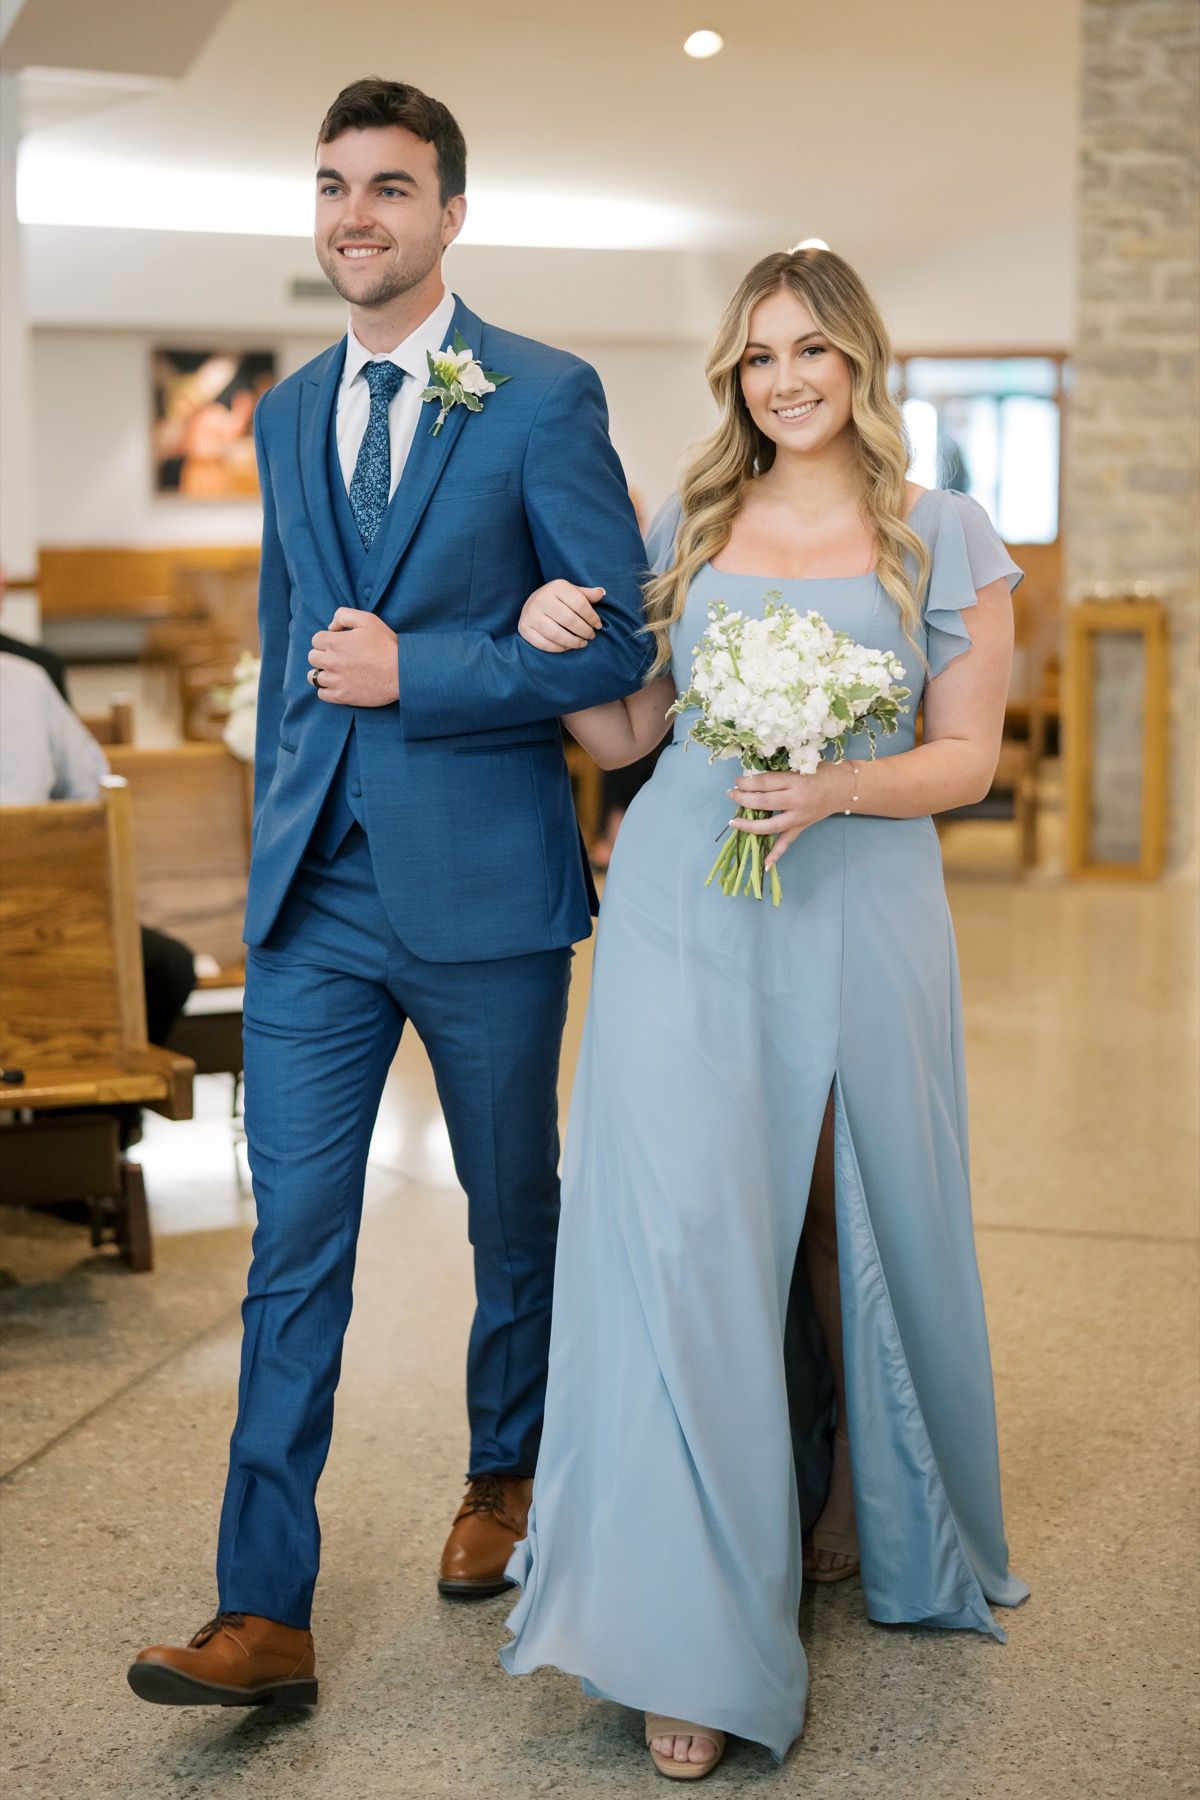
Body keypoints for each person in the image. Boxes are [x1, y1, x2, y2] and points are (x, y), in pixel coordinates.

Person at [129, 77, 649, 1709]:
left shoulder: (544, 397)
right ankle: (259, 1611)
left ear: (450, 214)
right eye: (334, 185)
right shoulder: (284, 413)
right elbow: (298, 652)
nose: (357, 212)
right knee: (294, 1243)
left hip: (487, 893)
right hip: (314, 911)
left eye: (392, 187)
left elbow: (622, 648)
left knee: (515, 1216)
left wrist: (420, 668)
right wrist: (275, 847)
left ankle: (506, 1475)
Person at [501, 247, 1029, 1778]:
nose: (785, 380)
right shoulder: (695, 520)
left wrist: (835, 784)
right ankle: (692, 1628)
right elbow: (633, 731)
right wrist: (556, 654)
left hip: (859, 896)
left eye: (812, 350)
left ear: (861, 360)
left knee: (840, 1212)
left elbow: (969, 759)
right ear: (732, 378)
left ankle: (867, 1491)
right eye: (756, 357)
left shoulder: (945, 533)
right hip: (684, 894)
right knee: (683, 1231)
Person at [0, 653, 195, 1052]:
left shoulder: (26, 682)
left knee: (165, 967)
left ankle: (102, 1109)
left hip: (41, 908)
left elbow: (90, 790)